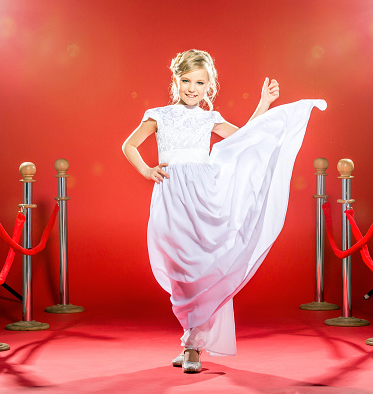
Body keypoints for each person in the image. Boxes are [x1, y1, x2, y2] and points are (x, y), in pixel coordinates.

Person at [122, 49, 326, 373]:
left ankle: (193, 346)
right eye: (186, 80)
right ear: (176, 80)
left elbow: (246, 138)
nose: (192, 88)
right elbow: (129, 145)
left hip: (205, 196)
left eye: (199, 82)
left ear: (209, 85)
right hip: (172, 197)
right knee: (180, 269)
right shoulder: (158, 115)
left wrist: (264, 105)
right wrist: (147, 171)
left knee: (204, 266)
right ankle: (192, 337)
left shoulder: (209, 118)